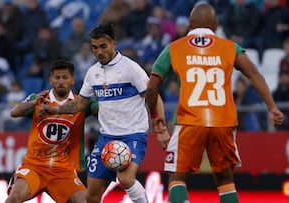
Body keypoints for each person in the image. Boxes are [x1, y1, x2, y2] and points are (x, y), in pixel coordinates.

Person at [145, 3, 285, 203]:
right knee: (225, 180)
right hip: (223, 122)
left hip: (190, 122)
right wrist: (272, 107)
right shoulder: (230, 47)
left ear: (190, 25)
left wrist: (156, 120)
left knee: (177, 177)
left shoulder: (174, 48)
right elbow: (254, 74)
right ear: (216, 24)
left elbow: (151, 88)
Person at [38, 23, 169, 203]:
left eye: (103, 46)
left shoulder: (131, 68)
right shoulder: (93, 73)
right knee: (91, 197)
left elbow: (153, 96)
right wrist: (57, 109)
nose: (99, 52)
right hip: (106, 139)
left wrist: (160, 127)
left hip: (133, 136)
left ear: (114, 45)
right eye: (94, 48)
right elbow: (80, 104)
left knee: (126, 179)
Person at [4, 60, 98, 203]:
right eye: (57, 77)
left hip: (63, 170)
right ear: (51, 80)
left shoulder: (81, 103)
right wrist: (32, 103)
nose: (61, 81)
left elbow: (102, 111)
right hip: (35, 166)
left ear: (72, 80)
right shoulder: (39, 99)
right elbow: (14, 112)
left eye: (65, 77)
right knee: (14, 198)